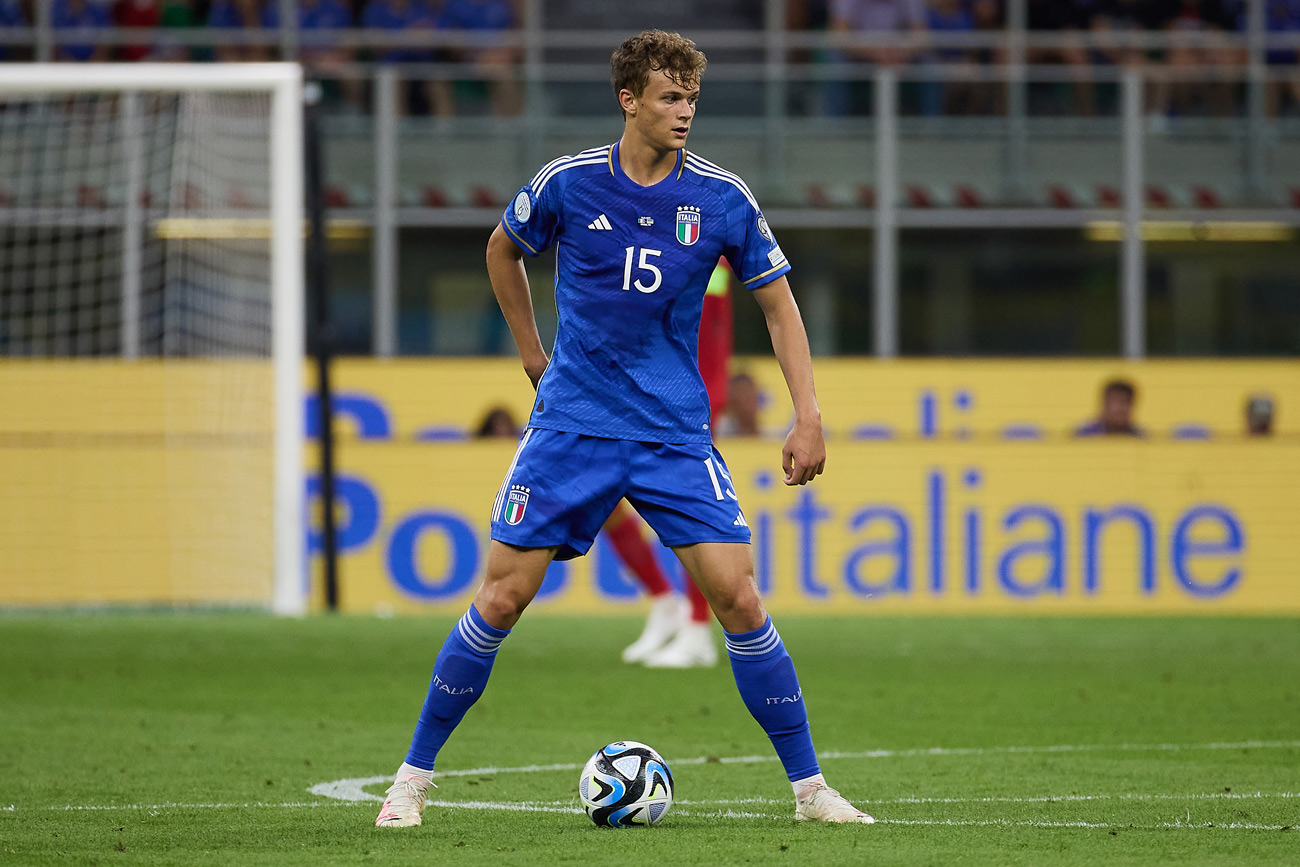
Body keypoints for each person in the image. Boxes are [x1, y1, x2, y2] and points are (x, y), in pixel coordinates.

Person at [374, 29, 872, 828]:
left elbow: (778, 304)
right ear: (629, 100)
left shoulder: (722, 198)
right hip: (572, 425)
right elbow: (503, 250)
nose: (685, 112)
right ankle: (409, 781)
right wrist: (532, 355)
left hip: (672, 432)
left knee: (739, 595)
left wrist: (808, 413)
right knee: (502, 596)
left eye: (692, 98)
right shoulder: (569, 183)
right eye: (671, 97)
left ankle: (812, 791)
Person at [1075, 378, 1145, 437]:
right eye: (1116, 401)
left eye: (1126, 402)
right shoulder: (1083, 435)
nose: (1120, 408)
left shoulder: (1139, 436)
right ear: (1105, 403)